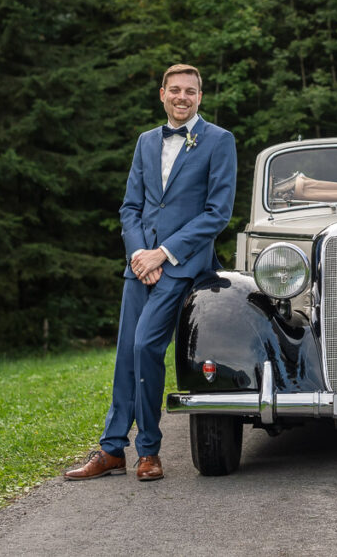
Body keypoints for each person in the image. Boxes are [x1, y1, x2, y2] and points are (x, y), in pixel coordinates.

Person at [65, 64, 236, 482]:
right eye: (174, 90)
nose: (182, 97)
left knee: (145, 348)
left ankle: (149, 451)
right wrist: (139, 254)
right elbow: (131, 207)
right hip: (139, 265)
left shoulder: (219, 141)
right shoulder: (145, 142)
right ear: (162, 94)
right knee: (126, 356)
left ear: (200, 96)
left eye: (190, 91)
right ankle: (111, 451)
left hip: (182, 266)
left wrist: (163, 254)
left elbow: (218, 214)